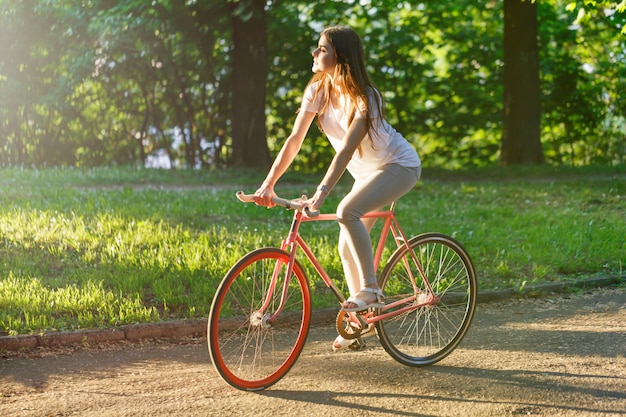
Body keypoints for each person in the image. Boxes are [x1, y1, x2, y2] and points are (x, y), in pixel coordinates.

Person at [254, 25, 421, 350]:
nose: (315, 54)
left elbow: (345, 150)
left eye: (322, 49)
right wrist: (268, 184)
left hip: (399, 167)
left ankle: (370, 292)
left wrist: (321, 193)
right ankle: (361, 322)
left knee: (347, 211)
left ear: (341, 56)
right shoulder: (319, 89)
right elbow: (294, 140)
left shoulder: (365, 98)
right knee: (346, 246)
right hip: (368, 174)